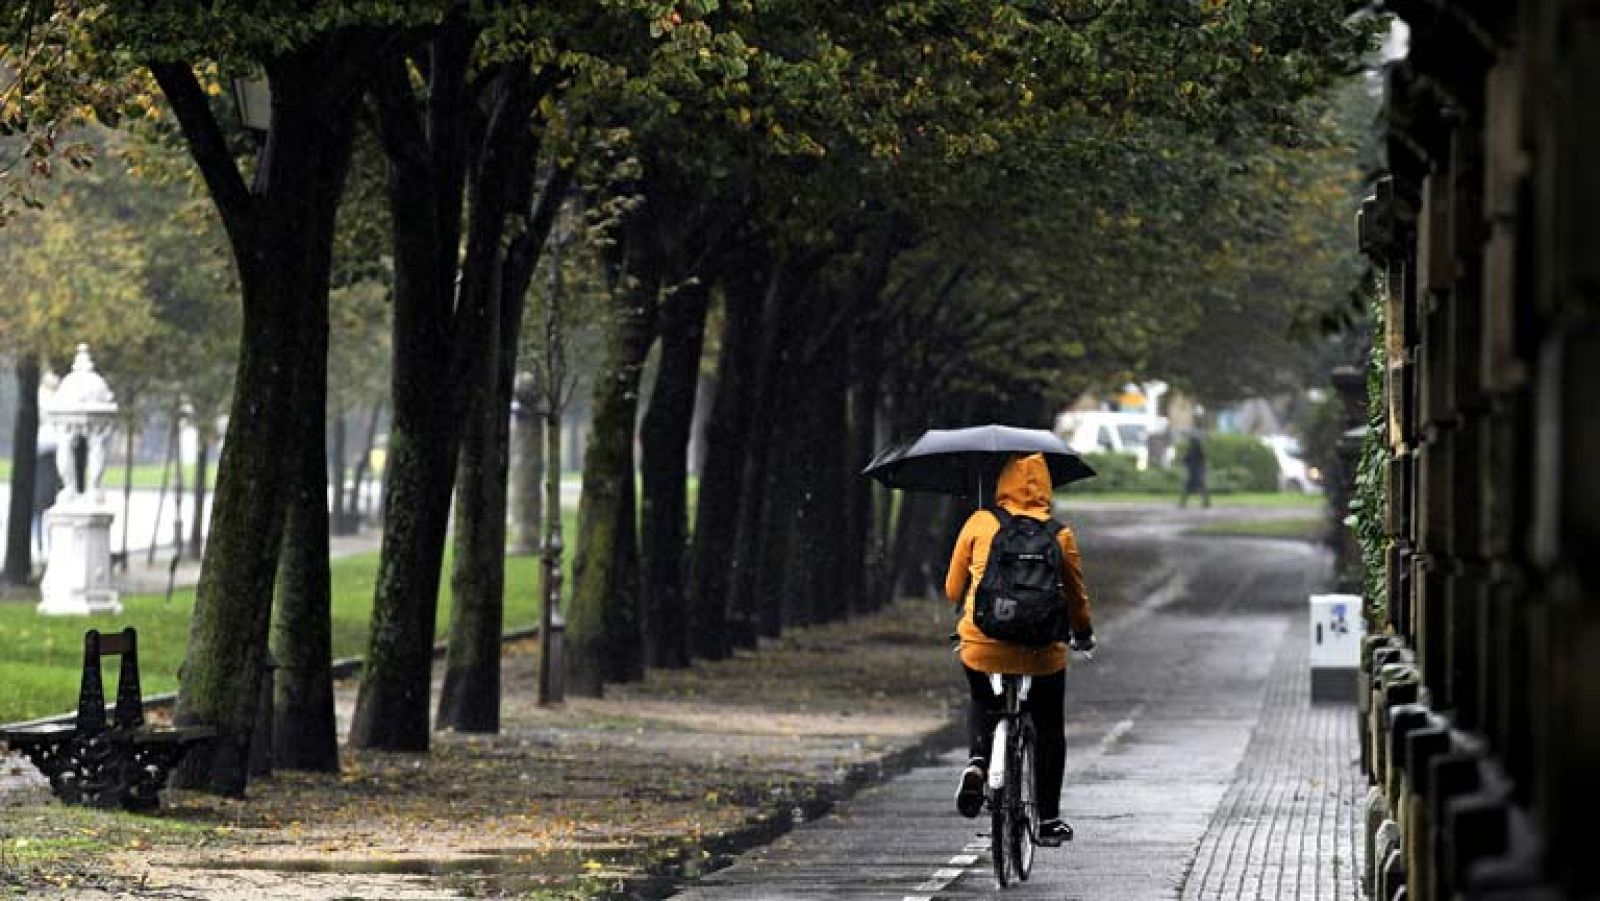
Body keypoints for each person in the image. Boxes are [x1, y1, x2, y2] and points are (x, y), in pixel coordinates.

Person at [944, 452, 1094, 846]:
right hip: (1042, 653)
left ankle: (978, 762)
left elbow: (951, 590)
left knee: (980, 697)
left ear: (1002, 483)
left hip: (982, 643)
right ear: (1046, 487)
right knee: (1048, 726)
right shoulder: (1060, 534)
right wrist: (1083, 633)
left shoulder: (980, 522)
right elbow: (1077, 598)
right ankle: (1047, 820)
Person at [1179, 431, 1210, 509]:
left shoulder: (1197, 452)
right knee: (1194, 488)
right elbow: (1186, 460)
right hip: (1194, 473)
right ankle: (1183, 503)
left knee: (1194, 488)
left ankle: (1206, 502)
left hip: (1196, 473)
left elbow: (1186, 460)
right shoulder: (1194, 451)